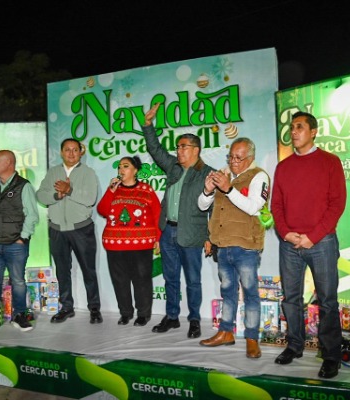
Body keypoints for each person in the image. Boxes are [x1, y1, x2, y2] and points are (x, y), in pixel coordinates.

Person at [271, 111, 347, 379]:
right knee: (291, 298)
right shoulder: (283, 167)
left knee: (327, 301)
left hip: (322, 242)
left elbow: (337, 204)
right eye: (292, 127)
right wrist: (285, 233)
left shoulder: (330, 162)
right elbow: (276, 206)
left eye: (300, 127)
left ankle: (331, 355)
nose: (294, 131)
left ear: (313, 132)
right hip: (290, 243)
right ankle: (294, 345)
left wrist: (312, 236)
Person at [142, 103, 214, 339]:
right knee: (170, 278)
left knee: (193, 280)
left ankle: (194, 320)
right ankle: (172, 317)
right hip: (168, 232)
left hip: (191, 234)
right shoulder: (173, 167)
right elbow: (154, 149)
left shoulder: (207, 173)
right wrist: (148, 124)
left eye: (183, 147)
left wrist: (210, 237)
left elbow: (214, 208)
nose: (179, 150)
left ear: (196, 150)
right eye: (178, 147)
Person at [197, 138, 270, 359]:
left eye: (239, 158)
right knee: (227, 291)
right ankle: (226, 332)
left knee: (250, 292)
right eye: (231, 157)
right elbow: (202, 205)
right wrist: (208, 190)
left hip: (246, 246)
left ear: (250, 158)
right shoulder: (223, 173)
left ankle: (251, 339)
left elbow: (253, 207)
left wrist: (228, 188)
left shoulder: (259, 176)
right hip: (223, 245)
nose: (233, 162)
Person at [36, 138, 102, 324]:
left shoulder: (88, 173)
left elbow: (90, 199)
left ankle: (94, 309)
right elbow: (40, 195)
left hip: (81, 229)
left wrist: (69, 190)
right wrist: (57, 195)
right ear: (61, 152)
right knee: (62, 271)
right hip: (57, 229)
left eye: (75, 150)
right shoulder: (53, 172)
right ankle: (66, 307)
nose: (71, 153)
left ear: (81, 152)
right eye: (67, 149)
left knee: (89, 271)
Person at [0, 150, 39, 334]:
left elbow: (32, 215)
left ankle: (19, 316)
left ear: (8, 163)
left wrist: (23, 238)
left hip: (14, 245)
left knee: (18, 281)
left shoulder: (24, 186)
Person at [96, 156, 161, 326]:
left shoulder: (146, 190)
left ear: (135, 170)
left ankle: (143, 314)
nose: (121, 170)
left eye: (125, 166)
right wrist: (110, 191)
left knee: (142, 279)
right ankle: (125, 313)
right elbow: (102, 210)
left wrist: (158, 238)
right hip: (115, 244)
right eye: (119, 167)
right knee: (120, 280)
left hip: (141, 244)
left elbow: (157, 214)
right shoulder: (114, 190)